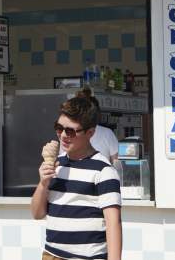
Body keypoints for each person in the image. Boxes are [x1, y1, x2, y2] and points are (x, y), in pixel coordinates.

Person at [31, 92, 122, 260]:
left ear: (90, 133)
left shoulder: (104, 170)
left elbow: (113, 223)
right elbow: (37, 214)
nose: (63, 136)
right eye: (59, 128)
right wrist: (43, 184)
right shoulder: (56, 164)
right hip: (51, 255)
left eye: (70, 131)